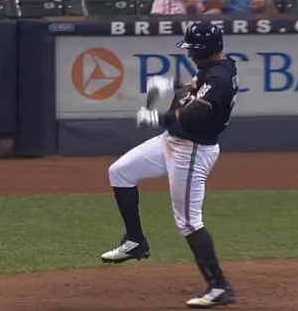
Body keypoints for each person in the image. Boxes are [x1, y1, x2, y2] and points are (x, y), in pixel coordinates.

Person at [100, 23, 238, 309]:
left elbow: (195, 112)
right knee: (121, 172)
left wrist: (157, 117)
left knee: (188, 221)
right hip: (173, 142)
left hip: (191, 151)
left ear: (203, 50)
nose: (188, 54)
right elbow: (191, 92)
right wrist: (171, 87)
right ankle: (136, 242)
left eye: (191, 49)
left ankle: (219, 285)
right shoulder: (215, 68)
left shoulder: (221, 78)